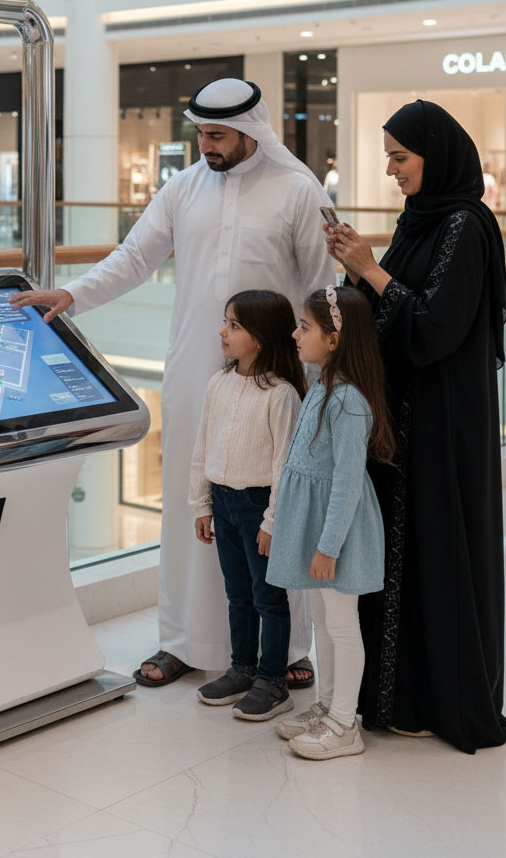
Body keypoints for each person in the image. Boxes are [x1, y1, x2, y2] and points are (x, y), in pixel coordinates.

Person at [9, 77, 334, 687]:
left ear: (250, 130)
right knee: (196, 505)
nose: (206, 146)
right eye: (201, 135)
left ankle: (286, 649)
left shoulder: (298, 191)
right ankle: (184, 639)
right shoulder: (183, 188)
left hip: (277, 379)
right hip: (193, 370)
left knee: (275, 509)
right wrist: (74, 294)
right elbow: (134, 258)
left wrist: (319, 379)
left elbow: (320, 287)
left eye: (217, 136)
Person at [326, 99, 506, 752]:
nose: (391, 170)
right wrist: (355, 272)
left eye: (400, 157)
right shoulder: (420, 221)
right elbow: (388, 315)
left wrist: (371, 269)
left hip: (441, 423)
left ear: (435, 157)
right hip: (402, 422)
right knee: (401, 557)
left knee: (437, 551)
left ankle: (442, 697)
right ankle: (396, 693)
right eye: (388, 156)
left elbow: (435, 328)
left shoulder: (467, 225)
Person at [266, 286, 394, 759]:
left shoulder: (348, 402)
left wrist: (328, 546)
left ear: (335, 338)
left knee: (342, 625)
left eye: (305, 327)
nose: (295, 334)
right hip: (316, 528)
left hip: (336, 534)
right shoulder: (320, 384)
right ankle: (326, 707)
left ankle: (345, 723)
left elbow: (345, 484)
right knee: (320, 618)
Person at [190, 290, 306, 720]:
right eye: (226, 322)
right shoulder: (218, 383)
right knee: (237, 594)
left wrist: (273, 522)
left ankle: (273, 681)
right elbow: (202, 446)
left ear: (260, 337)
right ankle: (242, 668)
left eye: (234, 325)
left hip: (260, 508)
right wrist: (201, 503)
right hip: (222, 501)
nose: (223, 331)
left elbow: (284, 468)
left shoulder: (281, 395)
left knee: (269, 599)